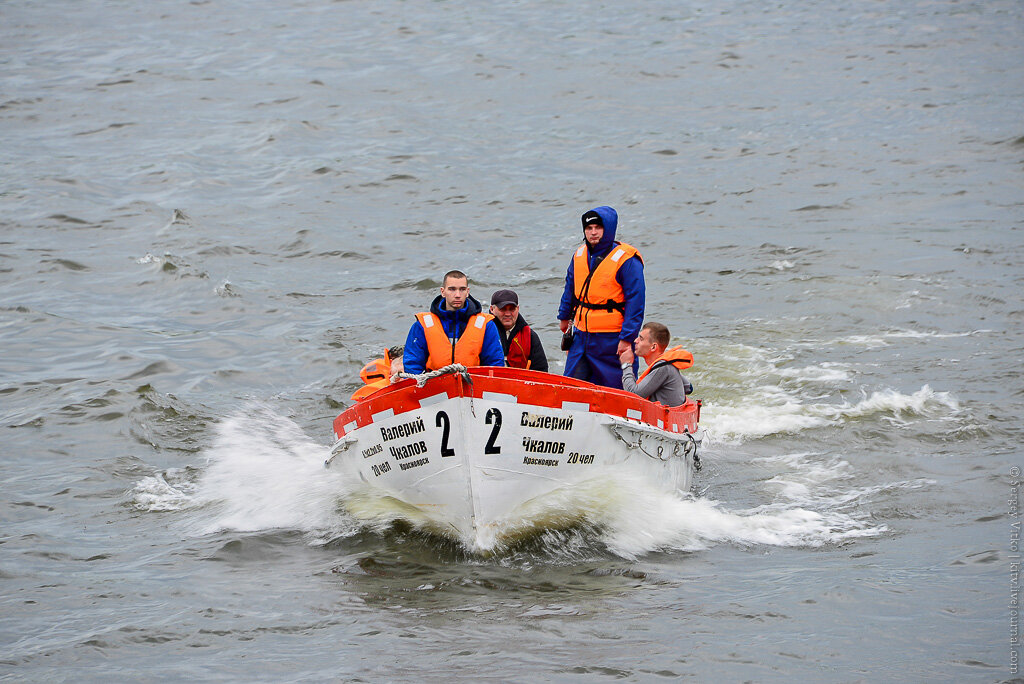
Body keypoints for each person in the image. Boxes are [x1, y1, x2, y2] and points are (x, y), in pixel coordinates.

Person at [557, 206, 645, 389]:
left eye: (598, 227)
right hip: (581, 337)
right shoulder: (579, 255)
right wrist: (564, 317)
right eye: (589, 228)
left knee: (615, 391)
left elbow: (636, 303)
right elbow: (570, 288)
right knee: (571, 386)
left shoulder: (627, 260)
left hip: (612, 340)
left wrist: (627, 338)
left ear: (609, 229)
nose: (593, 232)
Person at [403, 270, 505, 374]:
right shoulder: (423, 324)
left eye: (462, 289)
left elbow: (495, 363)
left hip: (472, 384)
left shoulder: (485, 324)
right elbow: (413, 363)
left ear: (467, 292)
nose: (457, 295)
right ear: (443, 292)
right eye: (452, 289)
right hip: (434, 384)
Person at [618, 322, 694, 406]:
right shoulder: (667, 364)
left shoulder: (663, 367)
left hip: (667, 417)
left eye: (641, 338)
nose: (636, 341)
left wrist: (626, 365)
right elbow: (688, 388)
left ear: (653, 347)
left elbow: (633, 395)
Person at [489, 289, 548, 372]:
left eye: (512, 309)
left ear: (518, 309)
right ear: (492, 309)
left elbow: (541, 370)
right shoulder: (483, 332)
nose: (507, 314)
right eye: (503, 309)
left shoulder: (530, 336)